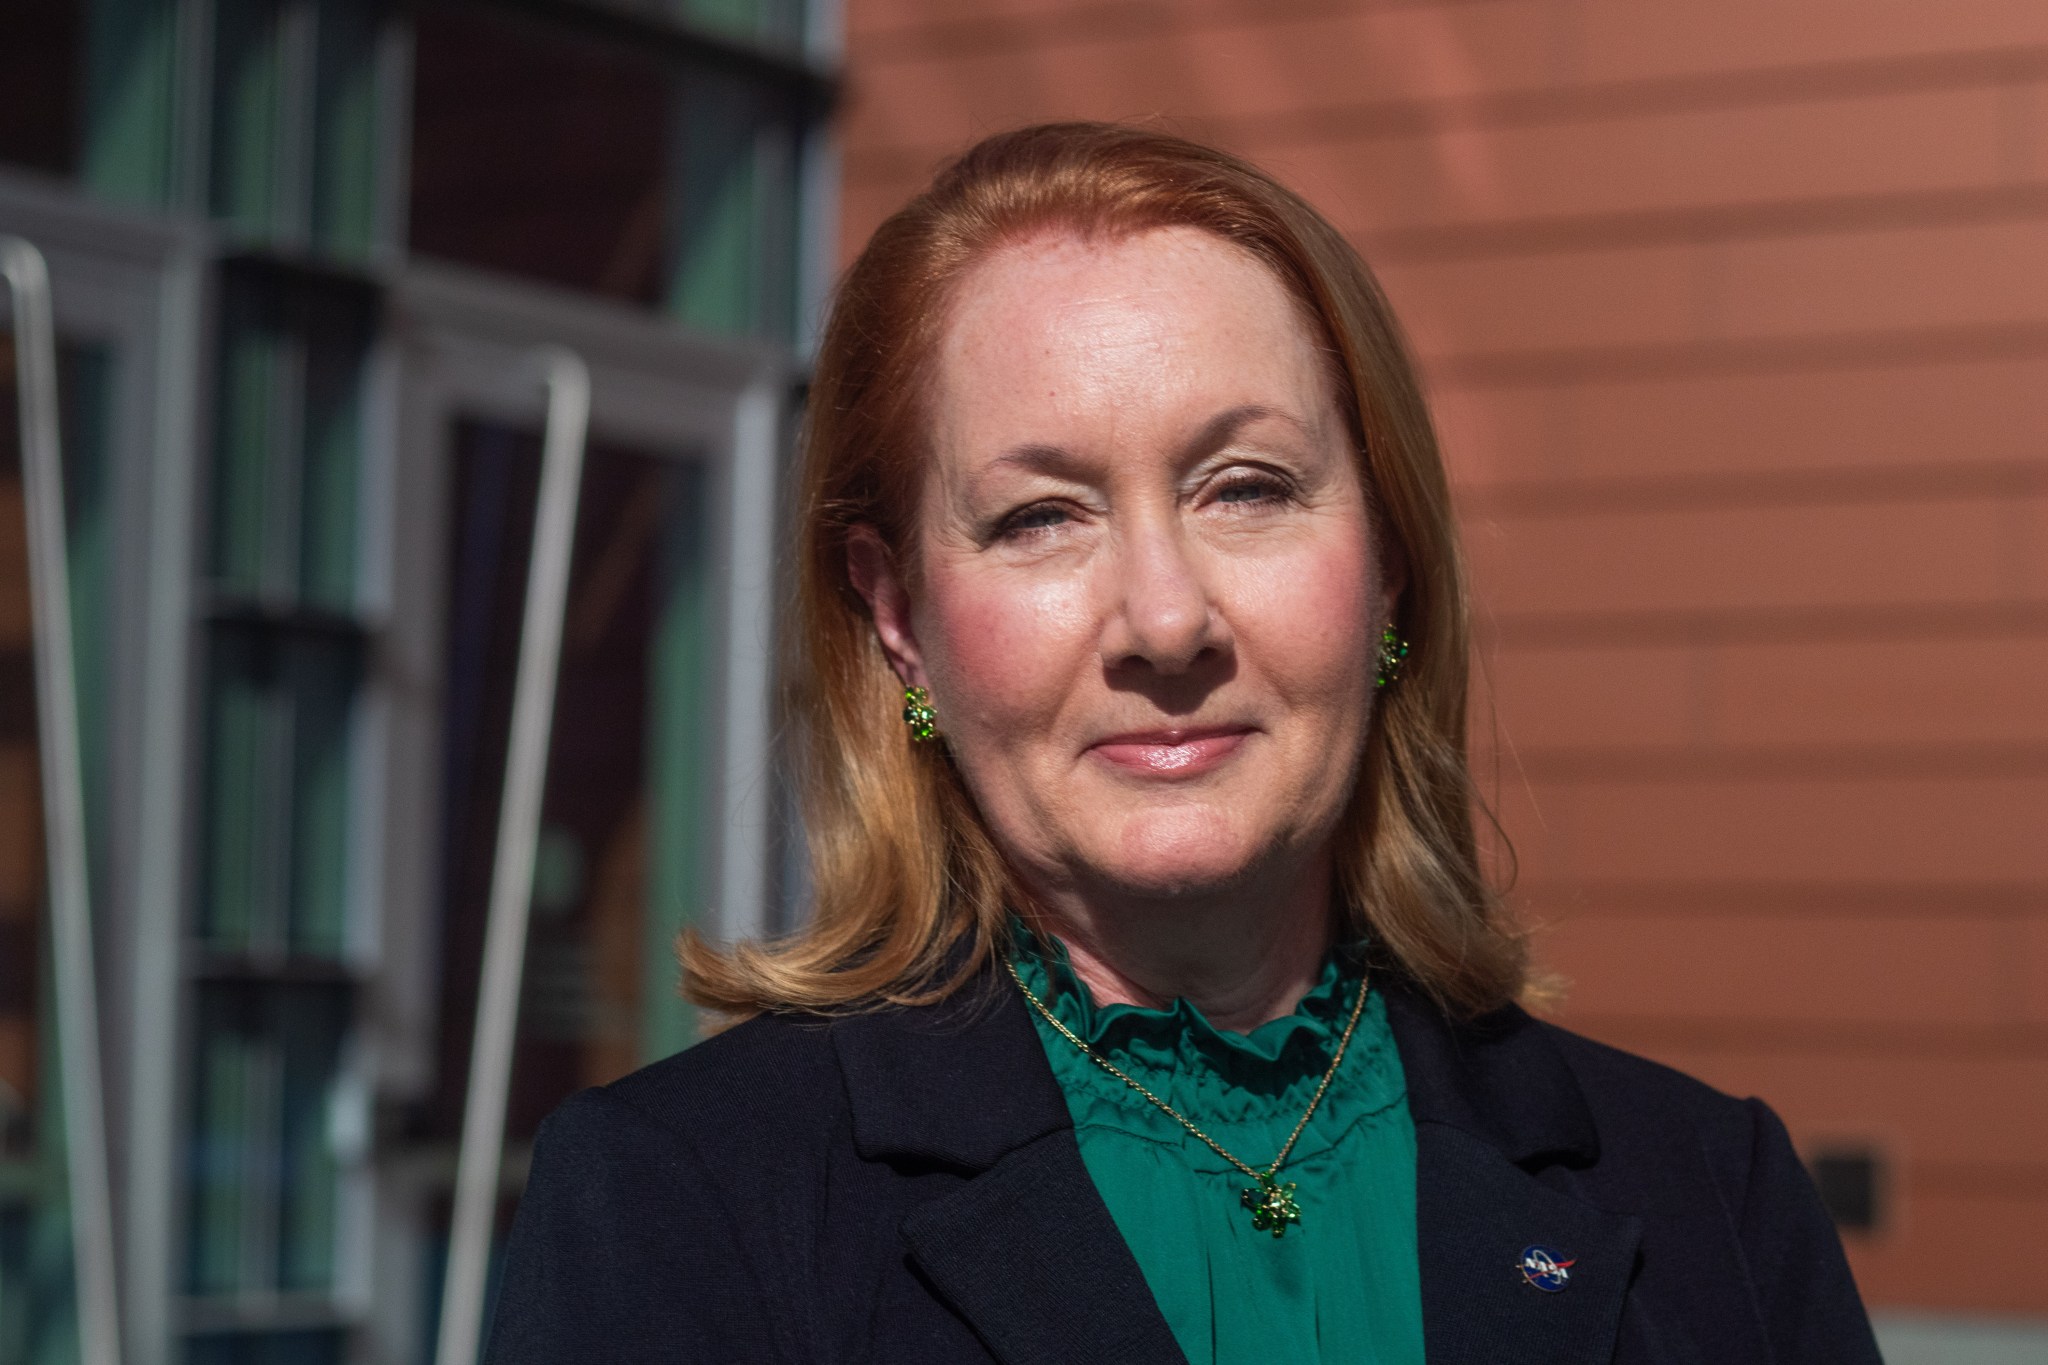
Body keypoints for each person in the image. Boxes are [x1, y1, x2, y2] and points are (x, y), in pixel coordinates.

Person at [485, 123, 1881, 1365]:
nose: (1164, 618)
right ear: (900, 617)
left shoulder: (1715, 1192)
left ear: (1388, 568)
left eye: (1248, 488)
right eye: (1041, 516)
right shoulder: (681, 1201)